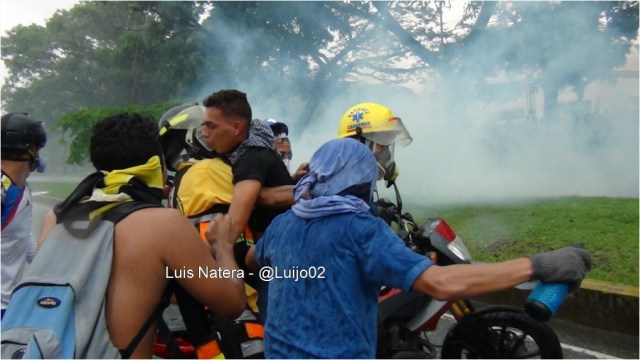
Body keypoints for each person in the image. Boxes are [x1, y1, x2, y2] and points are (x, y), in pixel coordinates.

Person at [206, 137, 592, 358]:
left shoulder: (285, 225)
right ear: (363, 181)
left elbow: (254, 261)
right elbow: (440, 285)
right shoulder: (360, 229)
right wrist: (540, 265)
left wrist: (225, 246)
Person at [37, 113, 246, 358]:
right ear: (157, 163)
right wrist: (223, 247)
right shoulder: (163, 225)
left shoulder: (58, 216)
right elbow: (231, 303)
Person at [1, 113, 47, 320]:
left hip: (12, 304)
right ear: (29, 149)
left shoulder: (21, 188)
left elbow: (20, 237)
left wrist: (46, 268)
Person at [337, 102, 413, 185]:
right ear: (357, 145)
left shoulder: (353, 186)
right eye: (381, 145)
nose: (387, 154)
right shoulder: (337, 194)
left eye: (388, 146)